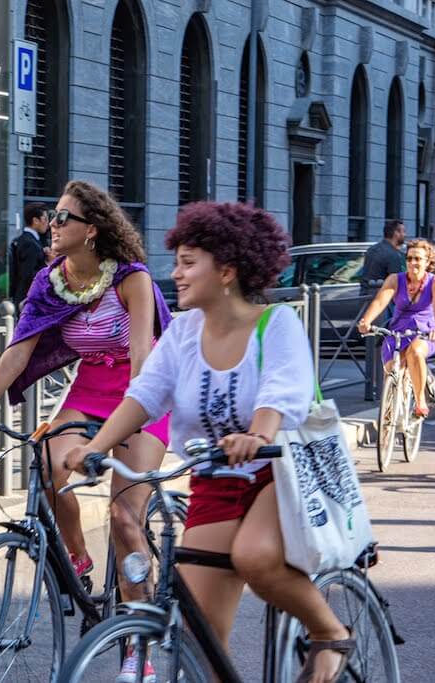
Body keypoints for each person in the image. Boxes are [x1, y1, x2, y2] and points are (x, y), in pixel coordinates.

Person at [65, 201, 354, 683]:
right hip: (213, 481)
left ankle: (329, 634)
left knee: (255, 556)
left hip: (274, 475)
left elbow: (281, 392)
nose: (174, 274)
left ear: (226, 270)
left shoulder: (275, 323)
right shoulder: (183, 333)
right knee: (201, 642)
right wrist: (97, 447)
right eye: (176, 262)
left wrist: (257, 434)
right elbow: (145, 395)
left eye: (187, 262)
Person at [0, 180, 173, 678]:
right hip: (91, 392)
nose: (50, 225)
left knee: (124, 520)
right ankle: (77, 557)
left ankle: (137, 651)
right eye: (52, 218)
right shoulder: (48, 280)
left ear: (91, 230)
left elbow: (143, 355)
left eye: (61, 218)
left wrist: (129, 417)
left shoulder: (131, 279)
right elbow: (20, 347)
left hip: (143, 396)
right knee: (51, 463)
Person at [358, 239, 435, 417]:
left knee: (415, 352)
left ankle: (420, 401)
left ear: (428, 261)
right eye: (409, 258)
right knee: (391, 368)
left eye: (418, 259)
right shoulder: (395, 279)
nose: (413, 262)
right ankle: (389, 413)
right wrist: (366, 321)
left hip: (425, 330)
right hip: (398, 329)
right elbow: (380, 301)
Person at [8, 202, 53, 307]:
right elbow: (29, 275)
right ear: (35, 221)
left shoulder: (27, 240)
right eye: (45, 219)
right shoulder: (29, 243)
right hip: (28, 299)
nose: (48, 223)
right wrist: (48, 264)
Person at [360, 219, 406, 293]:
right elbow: (398, 282)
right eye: (403, 232)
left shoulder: (371, 250)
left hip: (365, 297)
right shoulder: (394, 255)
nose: (405, 235)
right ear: (396, 233)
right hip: (384, 298)